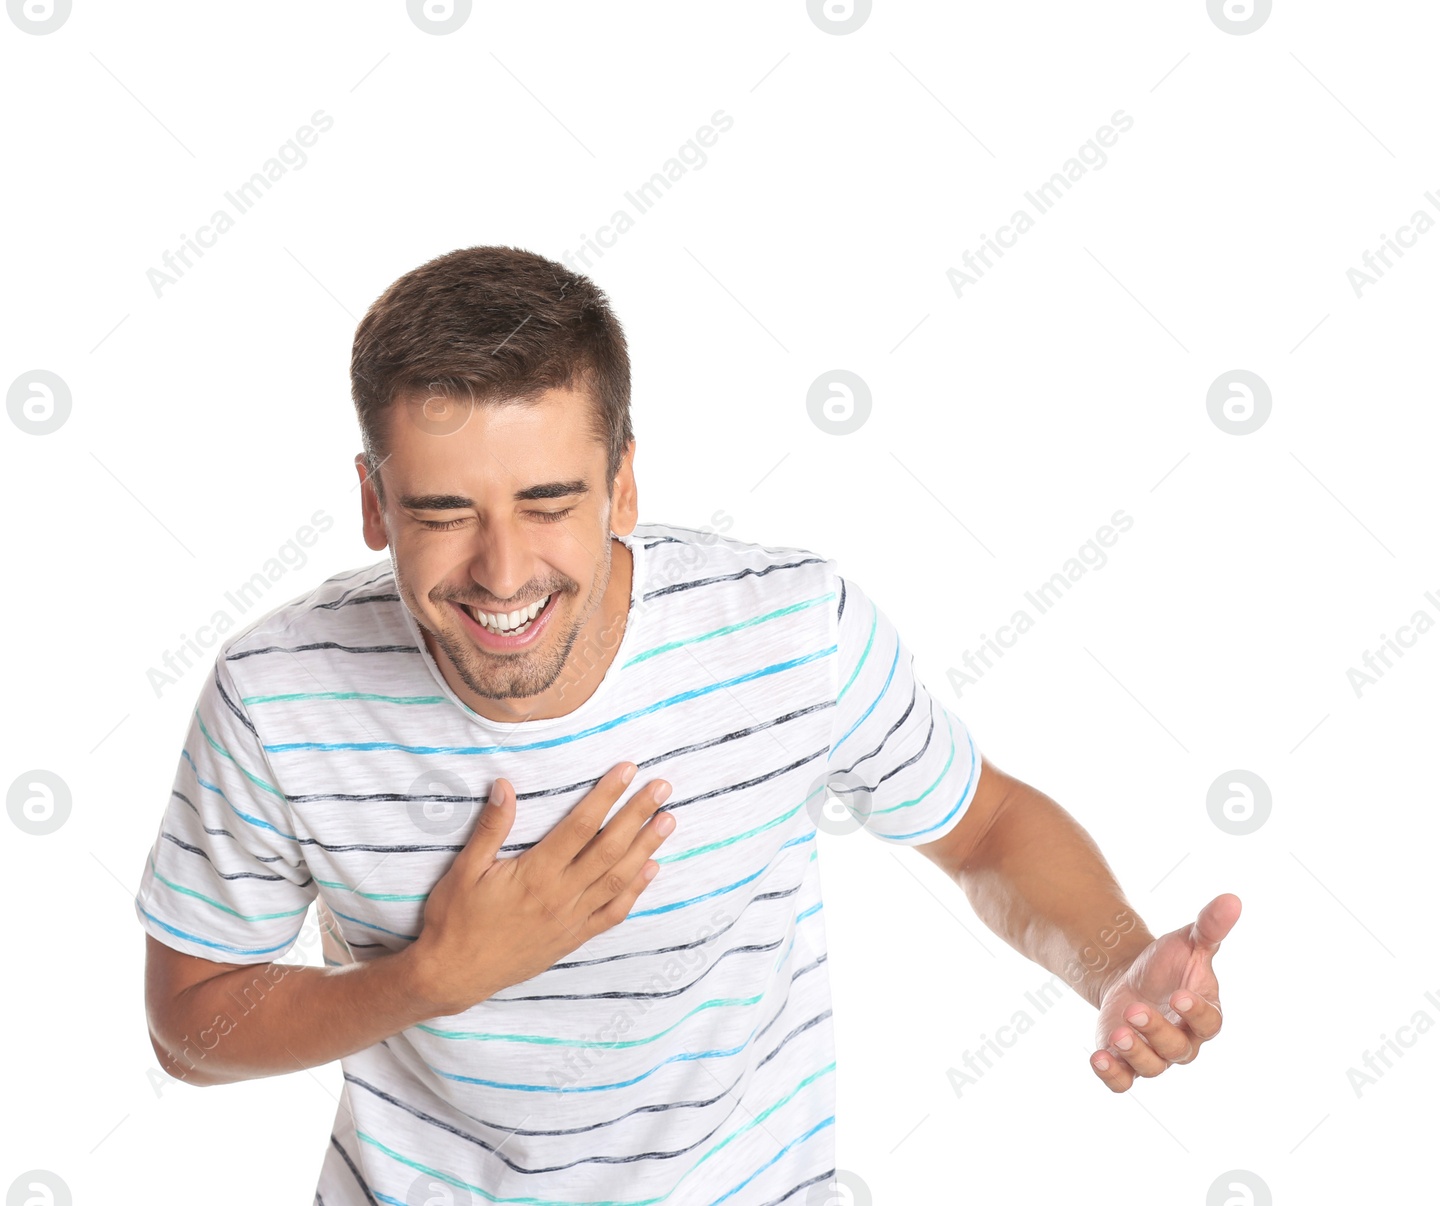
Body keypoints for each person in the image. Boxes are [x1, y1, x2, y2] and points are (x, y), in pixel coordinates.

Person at [136, 245, 1240, 1204]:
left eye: (548, 501)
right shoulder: (275, 695)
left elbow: (984, 824)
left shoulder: (789, 632)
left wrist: (1117, 961)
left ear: (622, 485)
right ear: (376, 502)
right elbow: (191, 1027)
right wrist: (433, 977)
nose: (503, 572)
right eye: (442, 512)